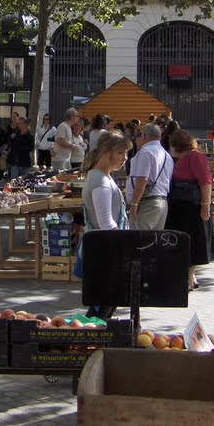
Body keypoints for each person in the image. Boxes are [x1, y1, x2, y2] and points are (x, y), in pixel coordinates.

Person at [79, 132, 132, 321]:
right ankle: (87, 339)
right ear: (106, 152)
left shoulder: (102, 177)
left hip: (105, 251)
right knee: (103, 306)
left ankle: (90, 337)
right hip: (106, 252)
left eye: (125, 153)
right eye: (120, 153)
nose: (124, 159)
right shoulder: (100, 181)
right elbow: (106, 223)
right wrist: (126, 245)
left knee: (105, 304)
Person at [166, 129, 213, 291]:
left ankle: (188, 278)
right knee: (188, 242)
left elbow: (205, 181)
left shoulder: (194, 156)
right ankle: (190, 277)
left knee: (193, 243)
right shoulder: (184, 158)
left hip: (192, 208)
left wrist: (205, 205)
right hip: (183, 207)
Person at [127, 124, 174, 230]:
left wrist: (134, 203)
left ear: (144, 135)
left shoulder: (146, 152)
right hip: (162, 202)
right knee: (154, 242)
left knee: (139, 241)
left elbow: (142, 179)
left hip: (146, 202)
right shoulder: (167, 155)